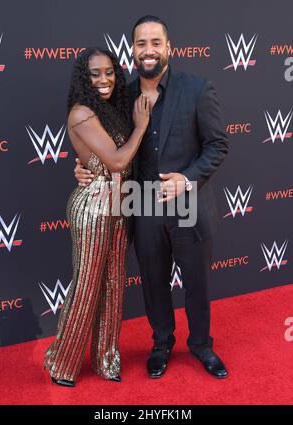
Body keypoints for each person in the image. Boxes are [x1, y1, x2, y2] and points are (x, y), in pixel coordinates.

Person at [75, 16, 230, 379]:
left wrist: (187, 179)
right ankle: (161, 342)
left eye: (155, 43)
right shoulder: (121, 96)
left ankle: (202, 345)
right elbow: (106, 148)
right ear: (133, 50)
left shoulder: (197, 89)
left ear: (168, 48)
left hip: (188, 202)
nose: (149, 50)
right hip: (140, 203)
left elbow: (218, 144)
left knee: (196, 280)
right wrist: (84, 169)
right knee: (153, 279)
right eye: (141, 43)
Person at [44, 47, 150, 387]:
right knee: (88, 284)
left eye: (109, 72)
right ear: (83, 79)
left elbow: (112, 163)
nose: (104, 79)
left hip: (121, 204)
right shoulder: (81, 112)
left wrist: (84, 165)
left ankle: (106, 359)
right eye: (95, 73)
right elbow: (117, 161)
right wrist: (141, 126)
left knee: (114, 284)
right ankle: (63, 363)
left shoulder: (109, 110)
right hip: (93, 205)